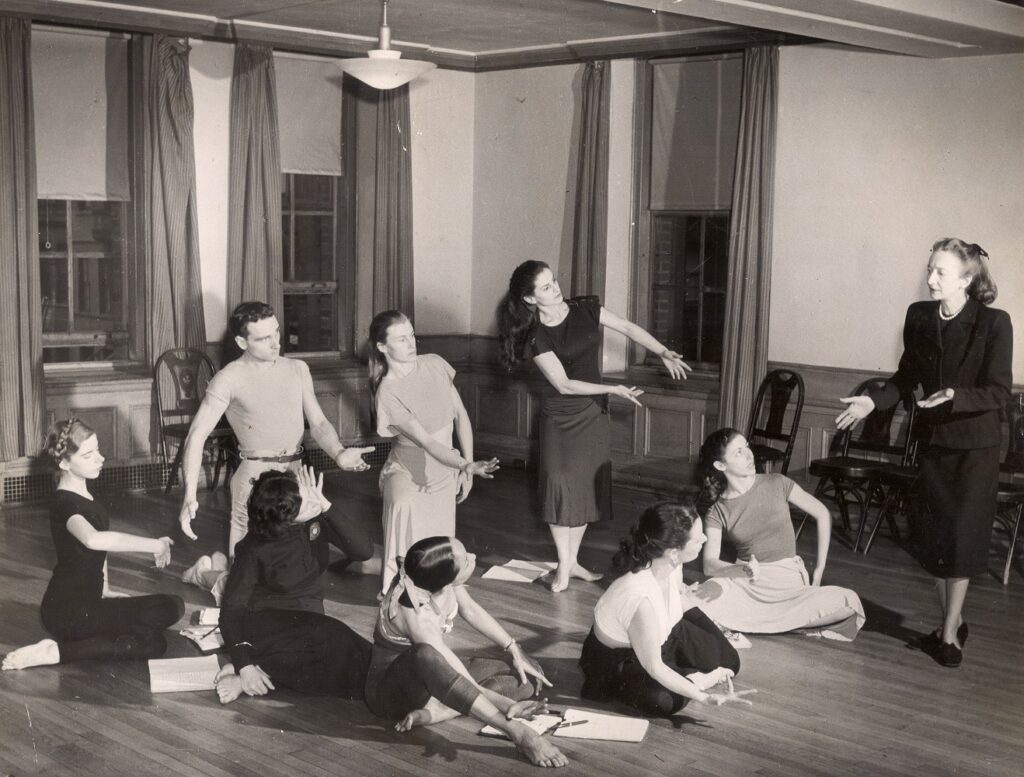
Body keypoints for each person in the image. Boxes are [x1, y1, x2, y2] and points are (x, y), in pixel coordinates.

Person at [835, 238, 1012, 667]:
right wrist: (872, 402)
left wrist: (955, 395)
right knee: (932, 541)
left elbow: (999, 391)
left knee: (962, 539)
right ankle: (954, 616)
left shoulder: (993, 323)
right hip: (933, 445)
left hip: (976, 448)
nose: (930, 279)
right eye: (929, 269)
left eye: (941, 273)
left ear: (967, 280)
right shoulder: (918, 317)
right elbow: (905, 375)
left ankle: (948, 635)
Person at [497, 261, 690, 592]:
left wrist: (662, 352)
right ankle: (563, 566)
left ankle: (572, 564)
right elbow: (563, 384)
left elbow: (628, 328)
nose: (556, 288)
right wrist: (612, 389)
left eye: (554, 281)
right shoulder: (534, 336)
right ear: (530, 299)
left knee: (586, 488)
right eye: (545, 287)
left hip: (592, 413)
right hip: (561, 415)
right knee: (560, 487)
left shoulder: (586, 309)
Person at [177, 301, 375, 558]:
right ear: (241, 342)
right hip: (254, 478)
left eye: (277, 332)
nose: (275, 343)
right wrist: (190, 495)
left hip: (296, 473)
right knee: (246, 571)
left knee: (304, 563)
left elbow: (319, 422)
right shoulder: (228, 378)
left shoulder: (297, 369)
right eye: (263, 338)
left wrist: (338, 452)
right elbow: (196, 436)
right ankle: (205, 573)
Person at [364, 536, 567, 769]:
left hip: (431, 676)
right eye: (466, 561)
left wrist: (514, 649)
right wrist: (508, 713)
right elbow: (456, 675)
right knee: (426, 655)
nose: (473, 557)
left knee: (526, 679)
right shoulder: (418, 618)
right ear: (446, 579)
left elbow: (470, 610)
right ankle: (518, 734)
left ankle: (439, 711)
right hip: (392, 692)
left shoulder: (432, 575)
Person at [3, 419, 184, 671]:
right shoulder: (64, 503)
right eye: (88, 455)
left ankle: (102, 634)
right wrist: (154, 545)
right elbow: (93, 539)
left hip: (90, 603)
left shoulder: (86, 495)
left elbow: (98, 549)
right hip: (66, 611)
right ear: (64, 463)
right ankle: (55, 652)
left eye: (98, 450)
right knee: (154, 644)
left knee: (173, 604)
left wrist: (106, 588)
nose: (100, 459)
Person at [213, 467, 375, 703]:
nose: (309, 497)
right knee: (336, 638)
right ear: (285, 516)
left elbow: (364, 551)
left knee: (339, 660)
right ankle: (248, 670)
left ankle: (258, 670)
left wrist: (327, 507)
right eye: (303, 499)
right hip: (265, 624)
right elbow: (231, 611)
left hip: (310, 622)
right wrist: (245, 664)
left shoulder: (315, 520)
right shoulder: (253, 547)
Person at [579, 502, 754, 715]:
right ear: (673, 552)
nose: (705, 539)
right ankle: (691, 679)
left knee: (730, 661)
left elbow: (678, 599)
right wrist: (704, 696)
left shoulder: (670, 563)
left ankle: (685, 676)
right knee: (662, 700)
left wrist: (715, 629)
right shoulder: (640, 598)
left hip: (665, 634)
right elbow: (654, 666)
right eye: (698, 538)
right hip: (622, 659)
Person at [369, 310, 499, 595]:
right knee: (403, 522)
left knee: (438, 547)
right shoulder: (387, 393)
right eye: (401, 339)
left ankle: (430, 594)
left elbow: (460, 414)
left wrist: (466, 468)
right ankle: (396, 594)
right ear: (382, 347)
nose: (411, 343)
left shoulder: (435, 364)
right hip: (409, 470)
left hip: (444, 468)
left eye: (412, 335)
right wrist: (466, 464)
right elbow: (426, 442)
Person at [692, 428, 865, 641]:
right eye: (738, 452)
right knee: (697, 599)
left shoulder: (777, 482)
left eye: (747, 447)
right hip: (745, 581)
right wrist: (742, 570)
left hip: (787, 580)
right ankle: (786, 623)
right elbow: (709, 564)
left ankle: (757, 621)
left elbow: (822, 513)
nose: (749, 455)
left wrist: (819, 569)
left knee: (850, 602)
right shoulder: (717, 510)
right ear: (720, 465)